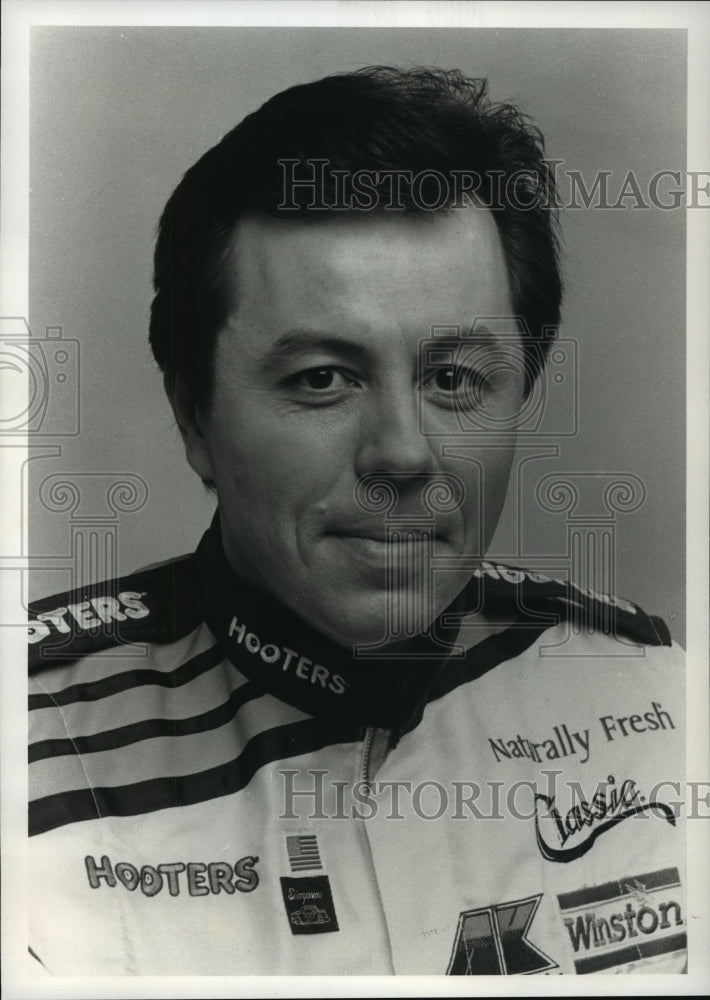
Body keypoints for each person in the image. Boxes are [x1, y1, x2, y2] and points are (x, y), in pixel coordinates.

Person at [28, 67, 685, 976]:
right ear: (193, 419)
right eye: (322, 380)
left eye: (453, 379)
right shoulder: (30, 748)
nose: (403, 456)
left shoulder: (658, 711)